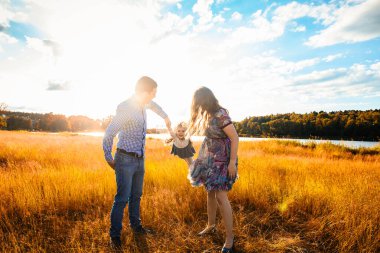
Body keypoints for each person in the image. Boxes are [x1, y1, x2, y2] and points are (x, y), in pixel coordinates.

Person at [102, 76, 171, 250]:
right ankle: (115, 236)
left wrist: (166, 117)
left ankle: (136, 226)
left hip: (140, 159)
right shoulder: (126, 107)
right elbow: (109, 133)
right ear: (144, 92)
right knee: (122, 199)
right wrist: (109, 158)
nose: (153, 98)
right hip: (124, 159)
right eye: (152, 94)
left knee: (136, 196)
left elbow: (155, 106)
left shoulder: (144, 104)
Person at [187, 87, 239, 253]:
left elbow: (234, 137)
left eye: (199, 103)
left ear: (205, 100)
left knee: (221, 196)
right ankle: (211, 225)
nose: (197, 107)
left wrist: (232, 162)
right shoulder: (208, 114)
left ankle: (230, 239)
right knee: (209, 192)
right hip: (209, 159)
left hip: (223, 160)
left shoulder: (220, 114)